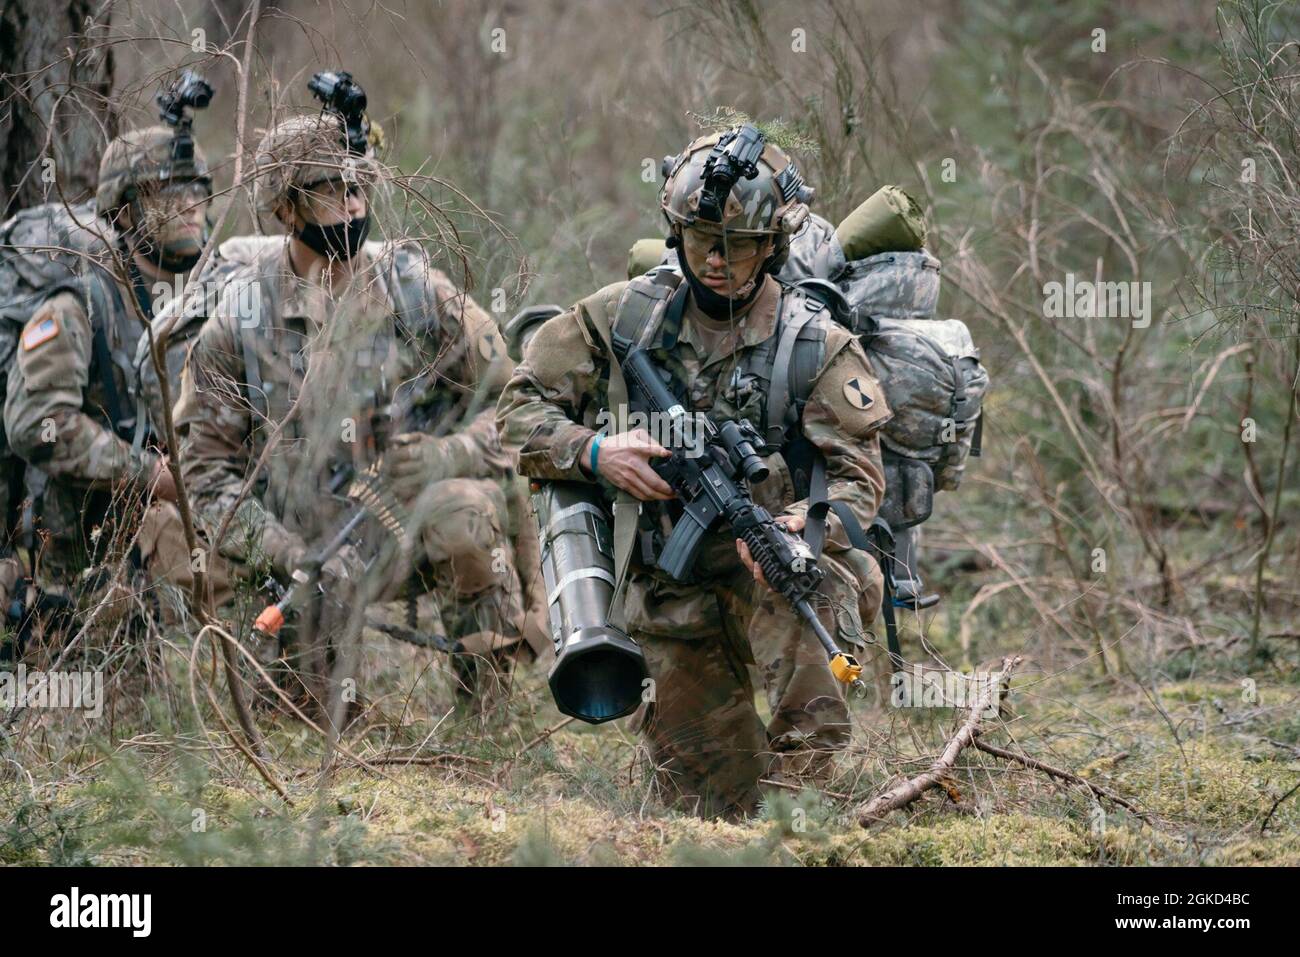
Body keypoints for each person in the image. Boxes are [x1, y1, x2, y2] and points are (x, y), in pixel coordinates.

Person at [497, 125, 892, 818]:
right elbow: (515, 407)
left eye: (739, 243)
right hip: (669, 593)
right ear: (676, 231)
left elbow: (860, 479)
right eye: (700, 235)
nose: (717, 257)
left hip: (771, 574)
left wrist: (797, 527)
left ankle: (803, 820)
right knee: (712, 804)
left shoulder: (813, 346)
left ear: (772, 245)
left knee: (820, 590)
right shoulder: (627, 315)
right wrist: (595, 453)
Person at [173, 110, 539, 721]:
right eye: (328, 191)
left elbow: (516, 407)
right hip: (299, 549)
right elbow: (205, 477)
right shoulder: (238, 318)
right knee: (304, 718)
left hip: (402, 527)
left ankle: (490, 713)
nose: (350, 205)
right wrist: (281, 549)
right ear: (286, 208)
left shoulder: (416, 290)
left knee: (467, 513)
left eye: (358, 187)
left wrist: (448, 454)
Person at [3, 126, 213, 609]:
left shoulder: (190, 300)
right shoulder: (81, 302)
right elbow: (37, 425)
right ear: (124, 210)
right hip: (60, 564)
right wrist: (146, 472)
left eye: (197, 191)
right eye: (166, 193)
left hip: (139, 558)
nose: (188, 206)